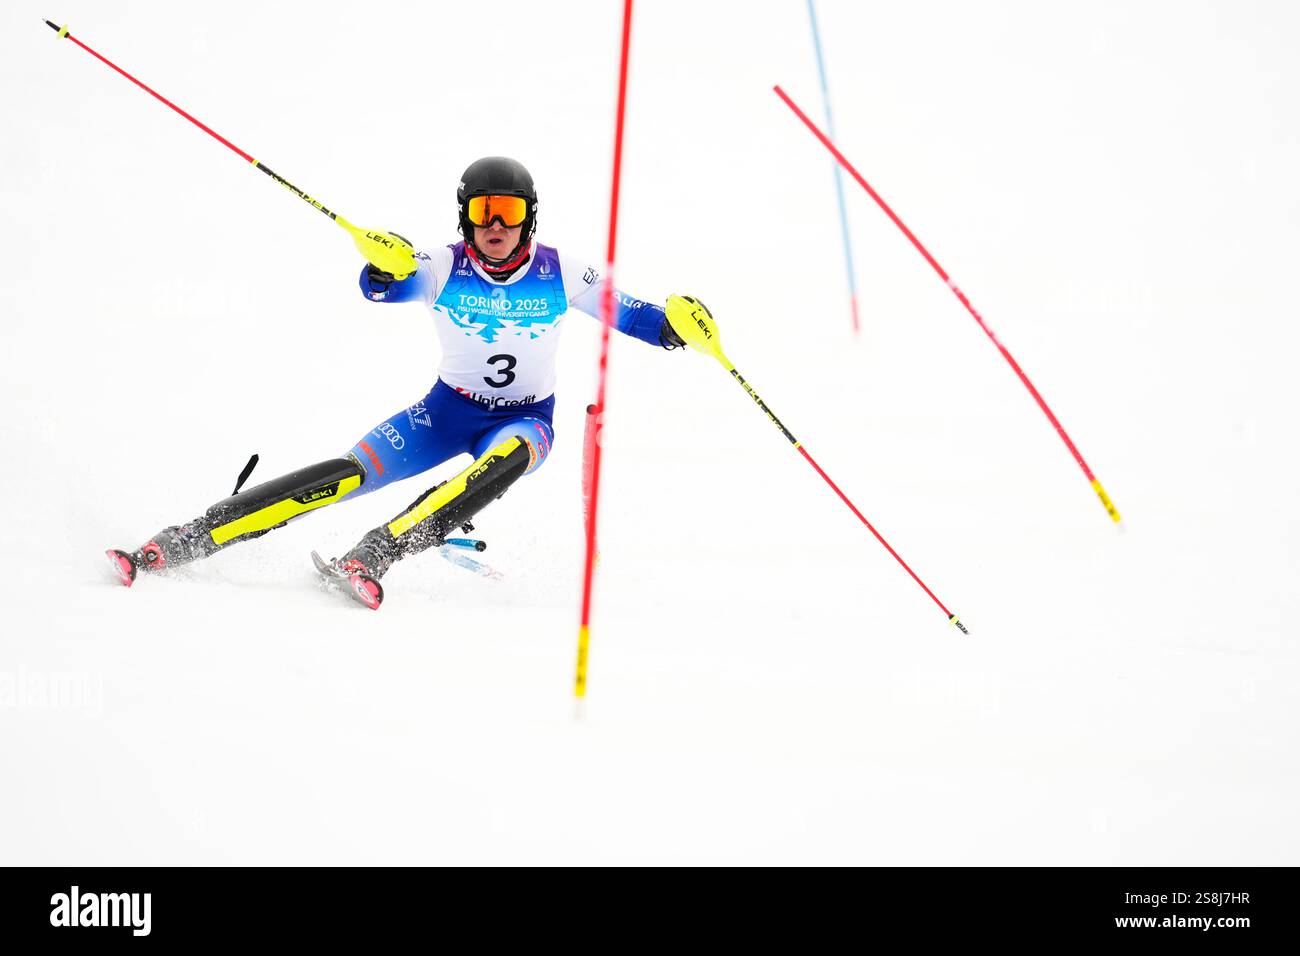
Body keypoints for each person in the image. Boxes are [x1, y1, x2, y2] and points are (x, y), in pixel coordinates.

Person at [106, 156, 692, 609]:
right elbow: (383, 286)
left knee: (503, 463)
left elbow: (633, 314)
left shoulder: (562, 272)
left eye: (509, 213)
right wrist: (383, 265)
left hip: (524, 420)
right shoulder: (442, 266)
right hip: (443, 414)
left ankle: (374, 554)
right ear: (464, 215)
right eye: (484, 211)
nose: (495, 225)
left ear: (528, 218)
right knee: (344, 476)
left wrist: (673, 326)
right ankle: (183, 540)